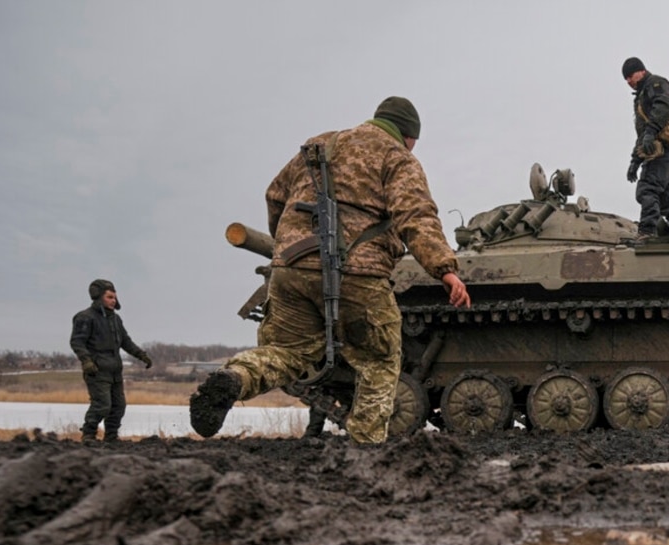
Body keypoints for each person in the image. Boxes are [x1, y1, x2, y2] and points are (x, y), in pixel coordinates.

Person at [190, 96, 471, 444]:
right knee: (378, 360)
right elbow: (416, 215)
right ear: (409, 135)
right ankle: (366, 449)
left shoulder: (320, 144)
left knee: (289, 353)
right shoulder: (398, 157)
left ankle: (235, 378)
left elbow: (275, 195)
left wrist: (288, 246)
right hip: (358, 273)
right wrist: (445, 269)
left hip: (291, 268)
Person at [69, 279, 152, 443]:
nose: (113, 301)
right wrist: (86, 361)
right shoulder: (85, 317)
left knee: (118, 406)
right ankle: (88, 435)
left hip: (115, 371)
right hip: (97, 370)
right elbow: (77, 342)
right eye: (109, 297)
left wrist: (141, 355)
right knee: (102, 405)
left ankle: (111, 437)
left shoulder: (115, 319)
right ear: (98, 296)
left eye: (115, 297)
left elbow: (125, 341)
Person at [622, 57, 669, 239]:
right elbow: (643, 134)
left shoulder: (656, 84)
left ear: (641, 71)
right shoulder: (641, 96)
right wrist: (635, 161)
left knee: (647, 188)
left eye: (630, 76)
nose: (628, 81)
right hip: (664, 150)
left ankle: (647, 231)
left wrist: (651, 132)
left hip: (665, 148)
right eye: (626, 78)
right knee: (666, 198)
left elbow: (663, 106)